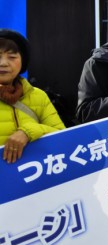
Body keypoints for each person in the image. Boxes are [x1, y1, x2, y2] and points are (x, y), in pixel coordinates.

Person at [0, 29, 65, 163]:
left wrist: (28, 131)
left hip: (34, 177)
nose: (3, 63)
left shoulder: (38, 96)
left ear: (22, 61)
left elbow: (62, 135)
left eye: (12, 57)